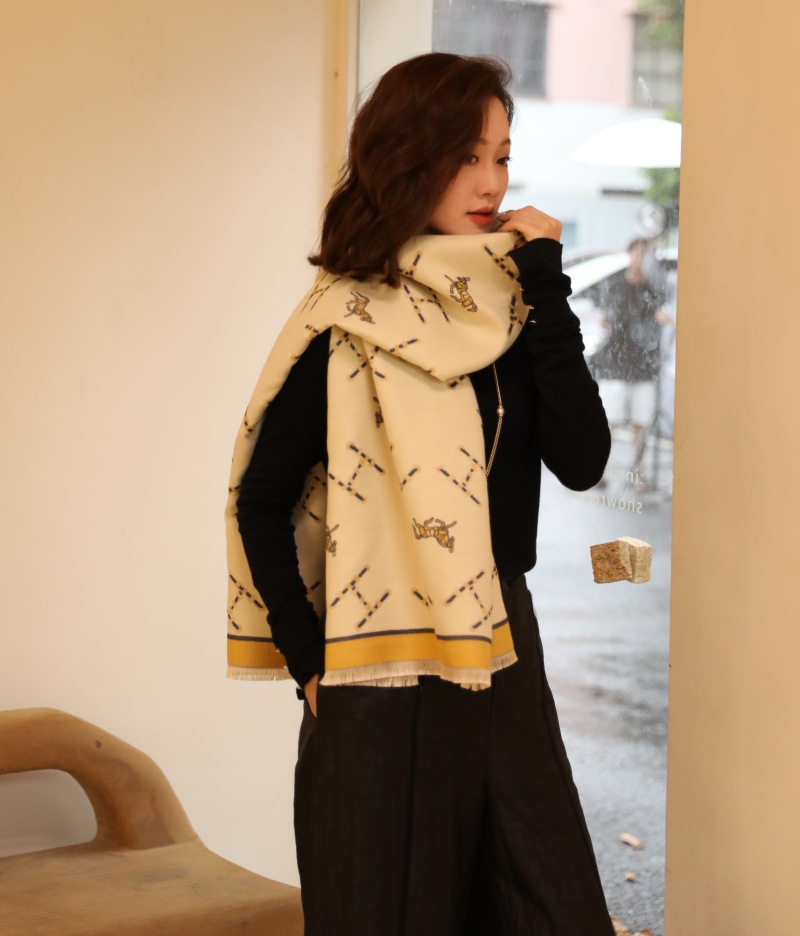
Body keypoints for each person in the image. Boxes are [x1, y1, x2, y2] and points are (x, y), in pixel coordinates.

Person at [226, 53, 614, 936]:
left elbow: (583, 459)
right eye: (464, 156)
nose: (490, 182)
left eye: (502, 157)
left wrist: (546, 279)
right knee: (389, 911)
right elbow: (259, 500)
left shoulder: (511, 304)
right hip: (378, 674)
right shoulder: (344, 323)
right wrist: (308, 661)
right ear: (406, 156)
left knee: (549, 904)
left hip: (499, 645)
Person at [590, 238, 665, 479]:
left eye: (646, 254)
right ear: (629, 253)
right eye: (638, 252)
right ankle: (599, 471)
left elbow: (658, 322)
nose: (641, 258)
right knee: (609, 420)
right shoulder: (614, 286)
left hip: (643, 365)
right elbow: (604, 318)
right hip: (616, 364)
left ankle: (638, 472)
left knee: (641, 421)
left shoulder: (653, 290)